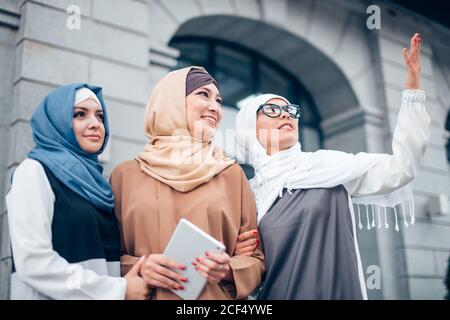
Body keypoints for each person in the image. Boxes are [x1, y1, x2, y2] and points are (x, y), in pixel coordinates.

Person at [234, 33, 430, 299]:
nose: (285, 114)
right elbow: (250, 276)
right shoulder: (247, 194)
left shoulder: (327, 167)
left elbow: (402, 168)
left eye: (291, 110)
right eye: (270, 110)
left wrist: (412, 94)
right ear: (248, 128)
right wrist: (240, 257)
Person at [110, 67, 265, 299]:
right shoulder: (126, 175)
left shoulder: (231, 174)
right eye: (203, 94)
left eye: (219, 100)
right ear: (170, 101)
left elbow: (255, 259)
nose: (215, 107)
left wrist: (229, 268)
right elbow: (105, 257)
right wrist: (141, 266)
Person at [6, 83, 149, 299]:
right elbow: (34, 262)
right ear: (57, 122)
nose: (95, 124)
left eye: (100, 117)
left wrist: (144, 266)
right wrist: (118, 290)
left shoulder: (98, 186)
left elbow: (101, 262)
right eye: (80, 114)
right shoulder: (34, 171)